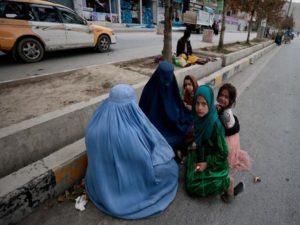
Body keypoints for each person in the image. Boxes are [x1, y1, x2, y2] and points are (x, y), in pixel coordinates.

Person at [85, 84, 179, 219]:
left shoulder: (94, 122)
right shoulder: (131, 132)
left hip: (100, 182)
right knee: (168, 169)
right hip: (130, 182)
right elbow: (144, 159)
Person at [185, 84, 244, 202]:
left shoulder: (214, 125)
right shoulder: (200, 117)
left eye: (204, 104)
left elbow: (223, 153)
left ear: (209, 103)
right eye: (197, 103)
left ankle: (227, 183)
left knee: (192, 186)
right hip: (205, 151)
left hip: (215, 161)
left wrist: (207, 164)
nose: (199, 108)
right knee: (190, 167)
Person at [139, 61, 193, 161]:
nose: (166, 83)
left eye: (168, 79)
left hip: (167, 129)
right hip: (153, 131)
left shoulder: (171, 86)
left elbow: (177, 105)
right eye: (164, 78)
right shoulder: (149, 90)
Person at [216, 83, 252, 176]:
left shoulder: (225, 114)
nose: (222, 98)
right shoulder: (225, 109)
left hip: (228, 139)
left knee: (222, 158)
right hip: (232, 136)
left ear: (231, 100)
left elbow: (221, 128)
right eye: (221, 95)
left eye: (226, 97)